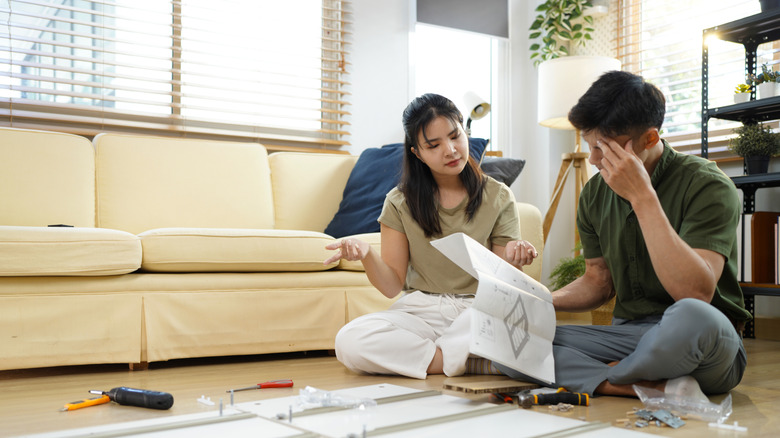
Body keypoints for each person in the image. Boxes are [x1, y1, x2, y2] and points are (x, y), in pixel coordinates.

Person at [497, 71, 751, 400]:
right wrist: (543, 299)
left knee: (692, 316)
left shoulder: (708, 185)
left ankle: (611, 376)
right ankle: (640, 385)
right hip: (629, 336)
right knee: (508, 339)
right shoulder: (594, 194)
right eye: (591, 146)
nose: (594, 160)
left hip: (703, 341)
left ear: (649, 139)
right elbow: (598, 281)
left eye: (604, 148)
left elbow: (695, 292)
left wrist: (643, 198)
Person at [324, 93, 538, 379]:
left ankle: (444, 356)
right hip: (422, 311)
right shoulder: (399, 202)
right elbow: (391, 286)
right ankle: (466, 361)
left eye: (454, 136)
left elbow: (503, 286)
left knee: (518, 320)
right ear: (417, 153)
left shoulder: (498, 195)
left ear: (465, 131)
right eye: (434, 145)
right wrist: (366, 254)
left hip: (476, 310)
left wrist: (515, 259)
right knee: (349, 341)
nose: (450, 150)